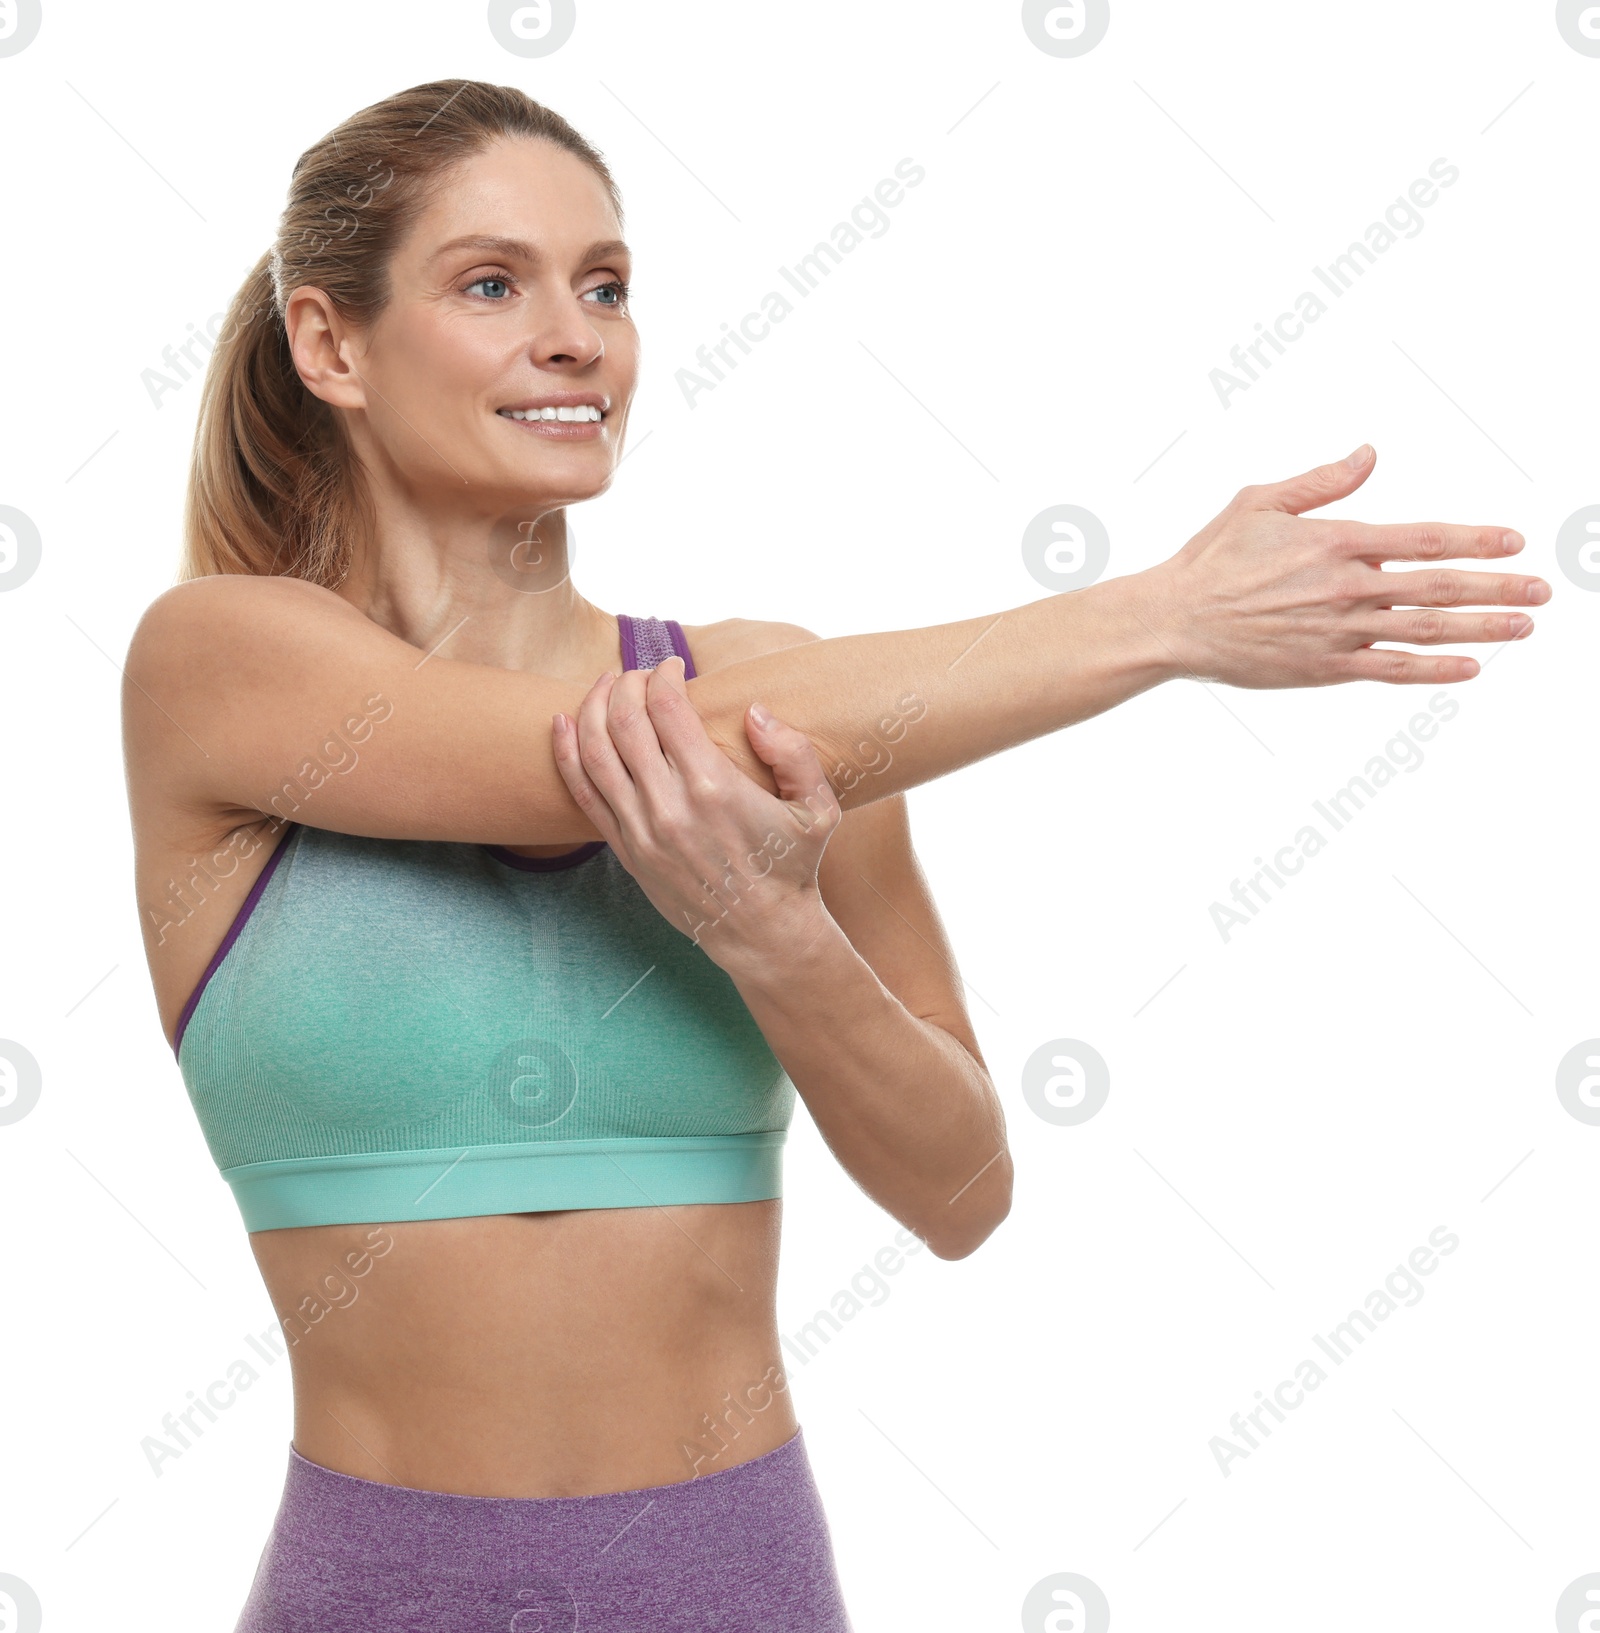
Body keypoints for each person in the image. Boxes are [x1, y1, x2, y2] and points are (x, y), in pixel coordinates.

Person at [121, 79, 1547, 1632]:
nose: (576, 335)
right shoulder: (223, 664)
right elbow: (580, 765)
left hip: (729, 1582)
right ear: (331, 344)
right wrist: (1160, 616)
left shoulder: (795, 704)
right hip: (376, 1590)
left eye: (606, 285)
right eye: (491, 283)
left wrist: (773, 934)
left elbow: (963, 1189)